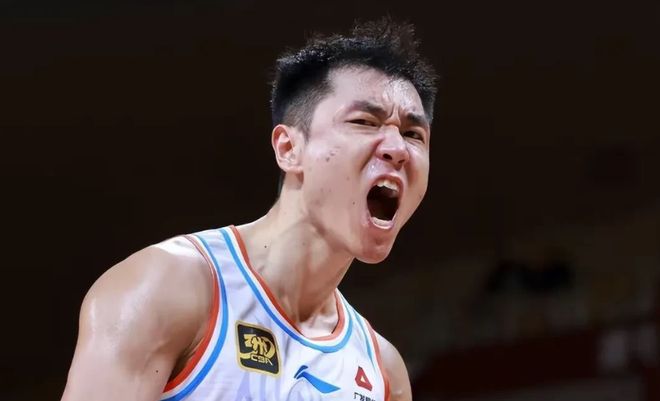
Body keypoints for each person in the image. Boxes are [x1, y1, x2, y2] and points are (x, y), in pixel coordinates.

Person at [61, 18, 437, 401]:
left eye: (413, 134)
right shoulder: (167, 286)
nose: (398, 149)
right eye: (365, 122)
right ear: (289, 149)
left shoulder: (382, 372)